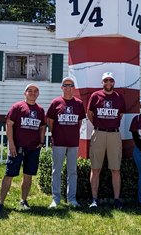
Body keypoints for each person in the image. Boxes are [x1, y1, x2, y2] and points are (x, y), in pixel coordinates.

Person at [0, 83, 46, 213]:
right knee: (9, 174)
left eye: (35, 91)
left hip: (33, 148)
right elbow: (9, 125)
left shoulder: (40, 110)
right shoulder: (17, 107)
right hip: (17, 148)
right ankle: (0, 202)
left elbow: (42, 127)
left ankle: (23, 200)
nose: (33, 93)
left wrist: (41, 141)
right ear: (25, 93)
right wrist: (11, 143)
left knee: (28, 175)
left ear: (38, 94)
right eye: (30, 90)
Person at [87, 72, 126, 209]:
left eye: (111, 80)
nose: (108, 82)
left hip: (114, 135)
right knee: (95, 168)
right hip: (98, 134)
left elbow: (120, 115)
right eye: (105, 80)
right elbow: (89, 114)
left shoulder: (119, 97)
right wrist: (99, 125)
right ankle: (94, 199)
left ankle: (116, 199)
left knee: (115, 169)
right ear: (102, 82)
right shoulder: (95, 96)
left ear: (114, 82)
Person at [46, 77, 86, 208]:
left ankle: (72, 199)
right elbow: (50, 121)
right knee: (56, 171)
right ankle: (56, 199)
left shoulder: (79, 104)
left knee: (72, 171)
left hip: (73, 143)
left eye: (71, 85)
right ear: (61, 87)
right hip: (58, 142)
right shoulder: (55, 102)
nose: (68, 87)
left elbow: (79, 122)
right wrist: (57, 134)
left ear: (74, 88)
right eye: (65, 85)